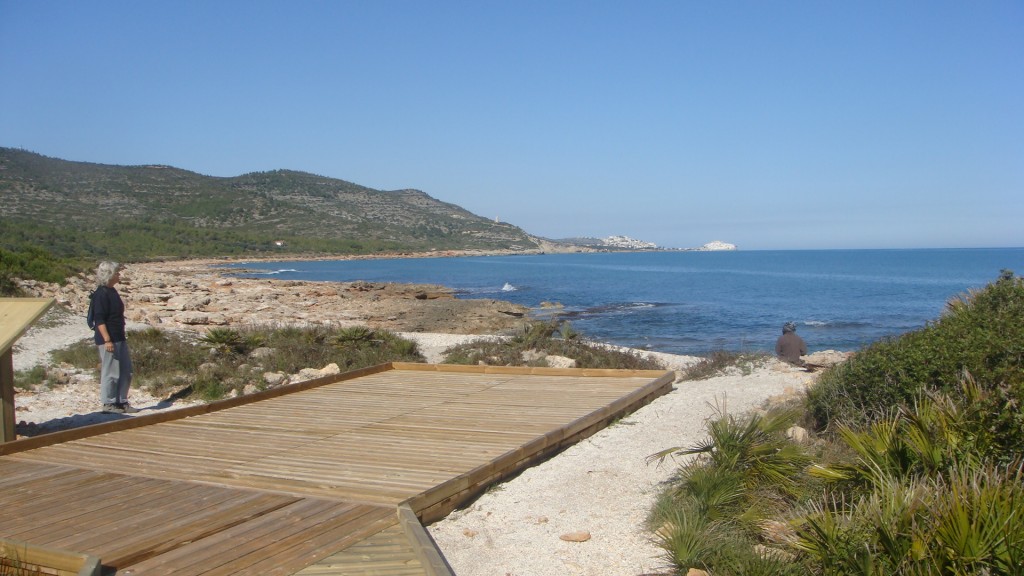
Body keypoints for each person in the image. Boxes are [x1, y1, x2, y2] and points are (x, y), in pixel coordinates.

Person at [91, 261, 139, 413]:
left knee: (126, 370)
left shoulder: (112, 291)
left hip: (119, 336)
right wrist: (107, 340)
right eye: (117, 273)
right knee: (111, 371)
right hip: (108, 338)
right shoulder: (100, 294)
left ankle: (121, 400)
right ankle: (109, 403)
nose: (119, 275)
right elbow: (99, 319)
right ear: (109, 274)